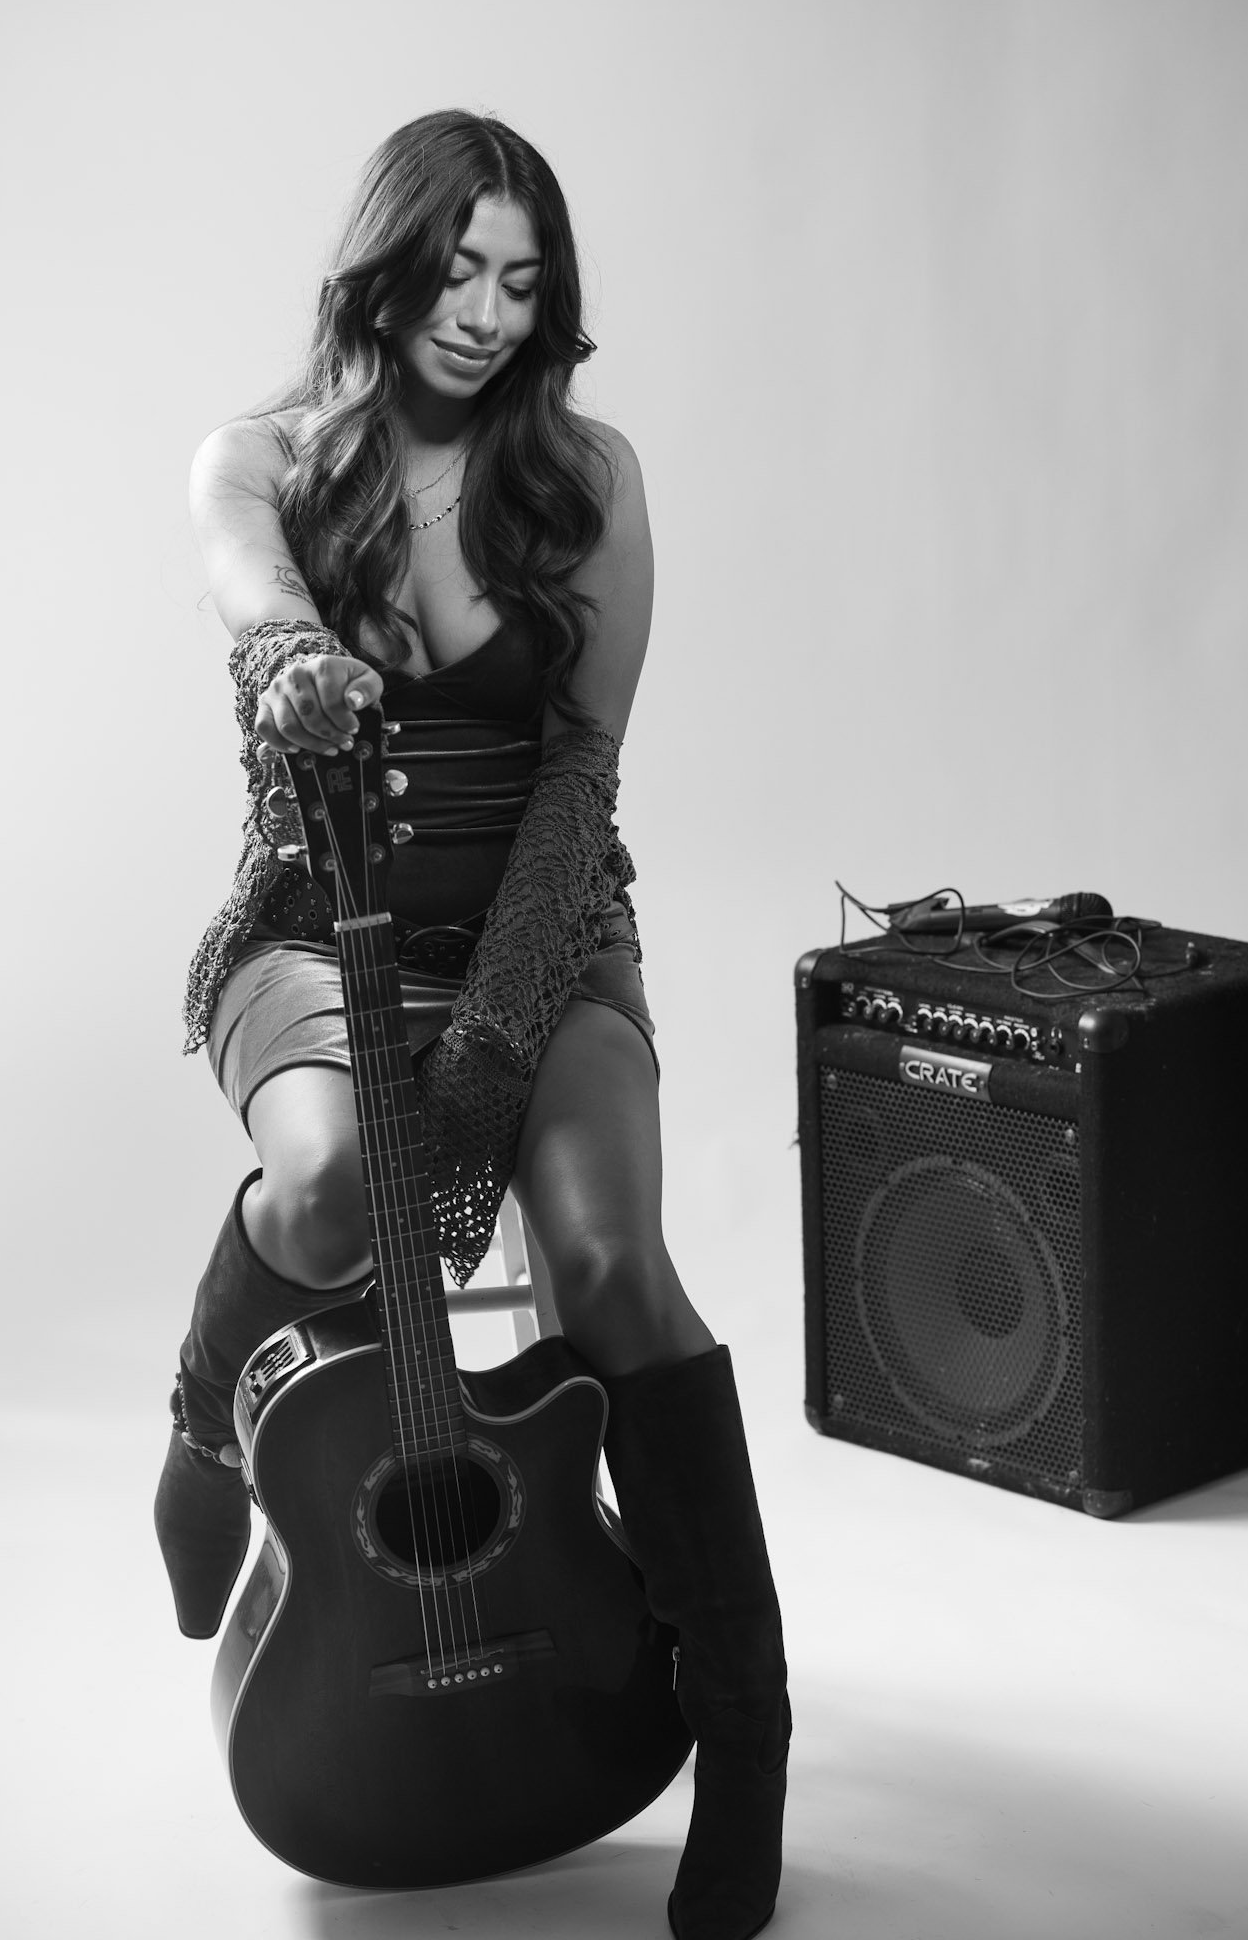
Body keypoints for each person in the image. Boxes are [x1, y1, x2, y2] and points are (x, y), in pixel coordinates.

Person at [156, 109, 788, 1940]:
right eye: (461, 269)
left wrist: (502, 1034)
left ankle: (740, 1735)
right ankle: (209, 1430)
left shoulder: (588, 475)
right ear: (389, 259)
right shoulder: (255, 459)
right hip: (317, 924)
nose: (490, 313)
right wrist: (300, 664)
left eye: (526, 282)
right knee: (342, 1174)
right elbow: (258, 611)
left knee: (611, 1265)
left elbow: (580, 772)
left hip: (549, 931)